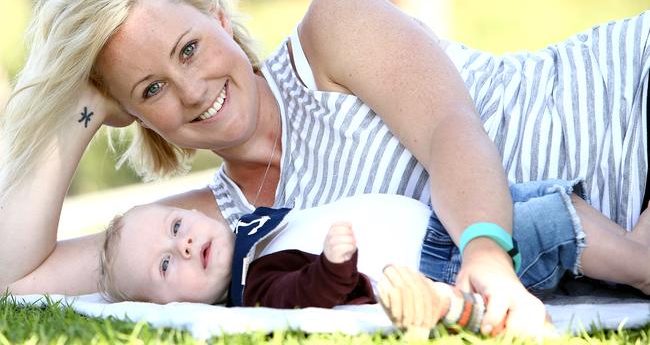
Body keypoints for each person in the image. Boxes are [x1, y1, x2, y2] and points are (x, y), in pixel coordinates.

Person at [1, 0, 649, 337]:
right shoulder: (208, 228)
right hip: (622, 212)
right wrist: (78, 108)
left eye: (190, 47)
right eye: (152, 88)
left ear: (218, 17)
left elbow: (451, 129)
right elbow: (14, 277)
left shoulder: (329, 35)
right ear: (134, 116)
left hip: (628, 87)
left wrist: (485, 250)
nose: (193, 89)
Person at [99, 183, 650, 338]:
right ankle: (640, 266)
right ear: (167, 304)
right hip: (442, 261)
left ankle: (633, 254)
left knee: (549, 199)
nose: (185, 245)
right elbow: (302, 299)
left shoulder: (249, 231)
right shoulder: (256, 285)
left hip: (443, 223)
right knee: (553, 224)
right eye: (166, 266)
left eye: (176, 227)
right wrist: (331, 269)